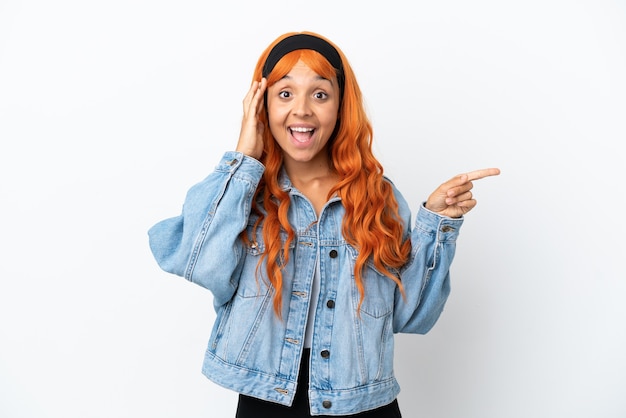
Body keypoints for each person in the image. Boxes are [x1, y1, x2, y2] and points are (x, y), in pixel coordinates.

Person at [148, 31, 500, 417]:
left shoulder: (377, 198)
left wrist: (437, 226)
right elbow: (198, 263)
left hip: (364, 404)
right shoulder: (243, 196)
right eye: (285, 94)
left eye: (320, 94)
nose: (302, 109)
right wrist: (243, 156)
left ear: (340, 107)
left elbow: (410, 317)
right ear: (260, 104)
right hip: (266, 403)